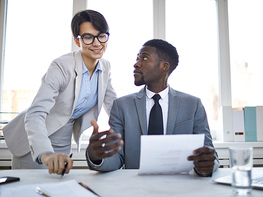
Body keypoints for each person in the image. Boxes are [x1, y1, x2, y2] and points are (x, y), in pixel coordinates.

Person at [3, 10, 117, 175]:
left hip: (64, 144)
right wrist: (46, 154)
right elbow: (35, 113)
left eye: (101, 35)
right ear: (77, 41)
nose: (97, 43)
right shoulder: (61, 66)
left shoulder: (105, 67)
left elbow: (114, 107)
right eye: (87, 37)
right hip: (34, 143)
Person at [86, 39, 219, 176]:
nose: (136, 64)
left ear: (164, 66)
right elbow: (117, 157)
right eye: (137, 58)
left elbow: (210, 152)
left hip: (179, 187)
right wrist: (97, 157)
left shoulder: (193, 105)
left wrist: (208, 164)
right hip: (136, 188)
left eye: (144, 58)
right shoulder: (122, 106)